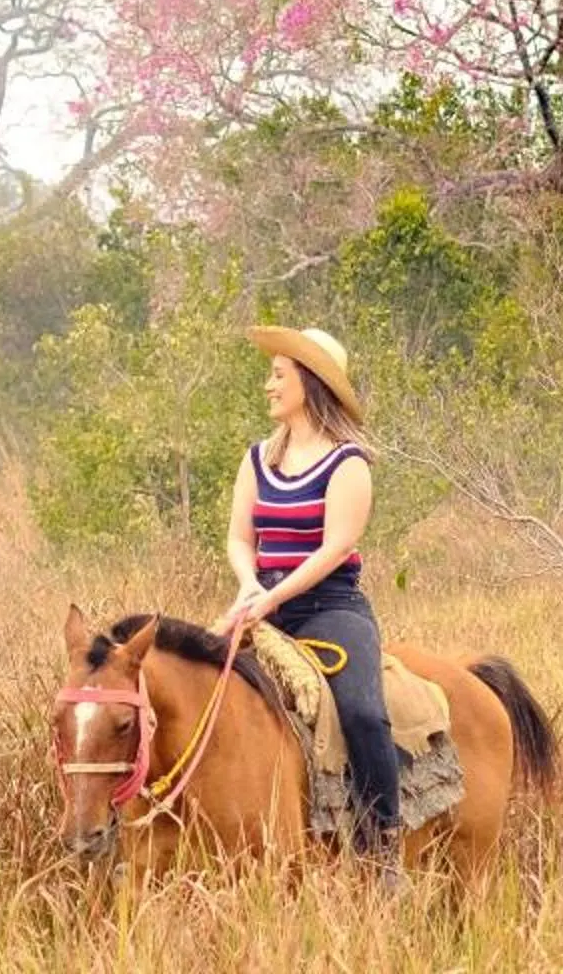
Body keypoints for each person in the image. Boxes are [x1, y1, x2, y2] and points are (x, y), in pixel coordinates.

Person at [220, 323, 401, 872]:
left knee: (364, 714)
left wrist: (272, 600)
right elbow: (238, 537)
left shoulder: (348, 462)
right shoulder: (258, 459)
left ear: (310, 383)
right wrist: (250, 584)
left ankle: (382, 845)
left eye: (278, 375)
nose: (268, 386)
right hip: (262, 599)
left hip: (329, 606)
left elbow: (334, 548)